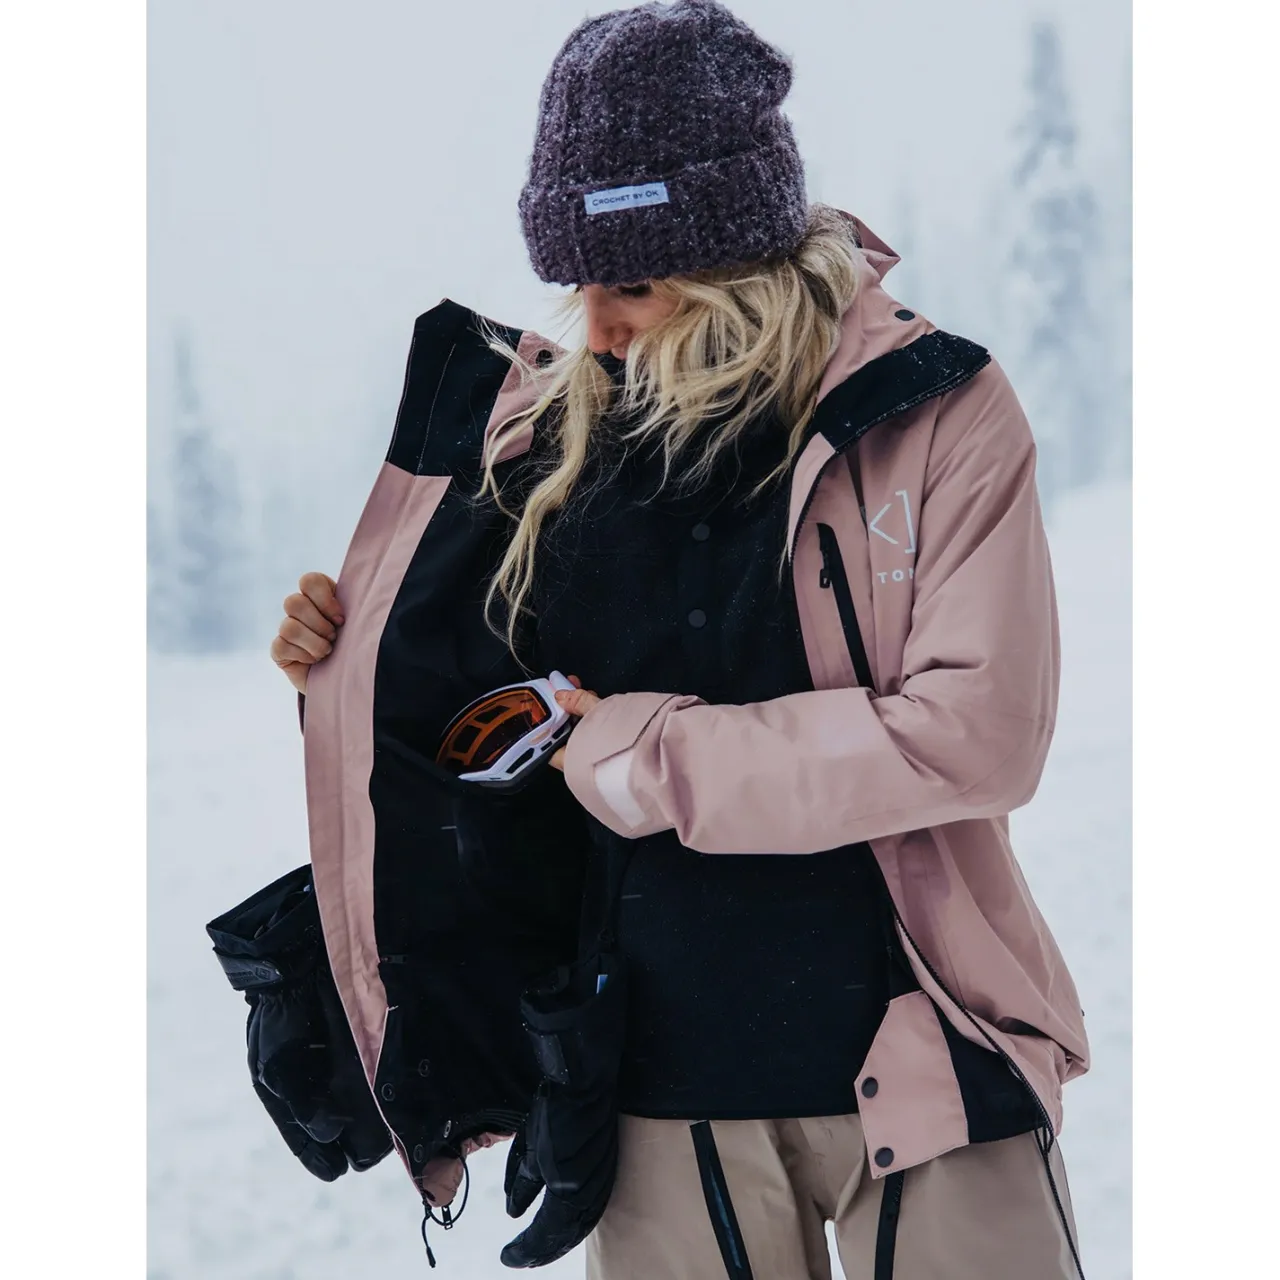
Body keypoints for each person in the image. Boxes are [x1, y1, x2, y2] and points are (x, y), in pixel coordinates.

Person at [268, 2, 1090, 1277]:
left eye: (633, 285)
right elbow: (483, 749)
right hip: (654, 1094)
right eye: (579, 285)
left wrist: (640, 753)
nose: (595, 327)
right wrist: (345, 661)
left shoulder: (932, 413)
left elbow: (974, 738)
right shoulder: (543, 450)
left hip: (930, 1055)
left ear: (738, 261)